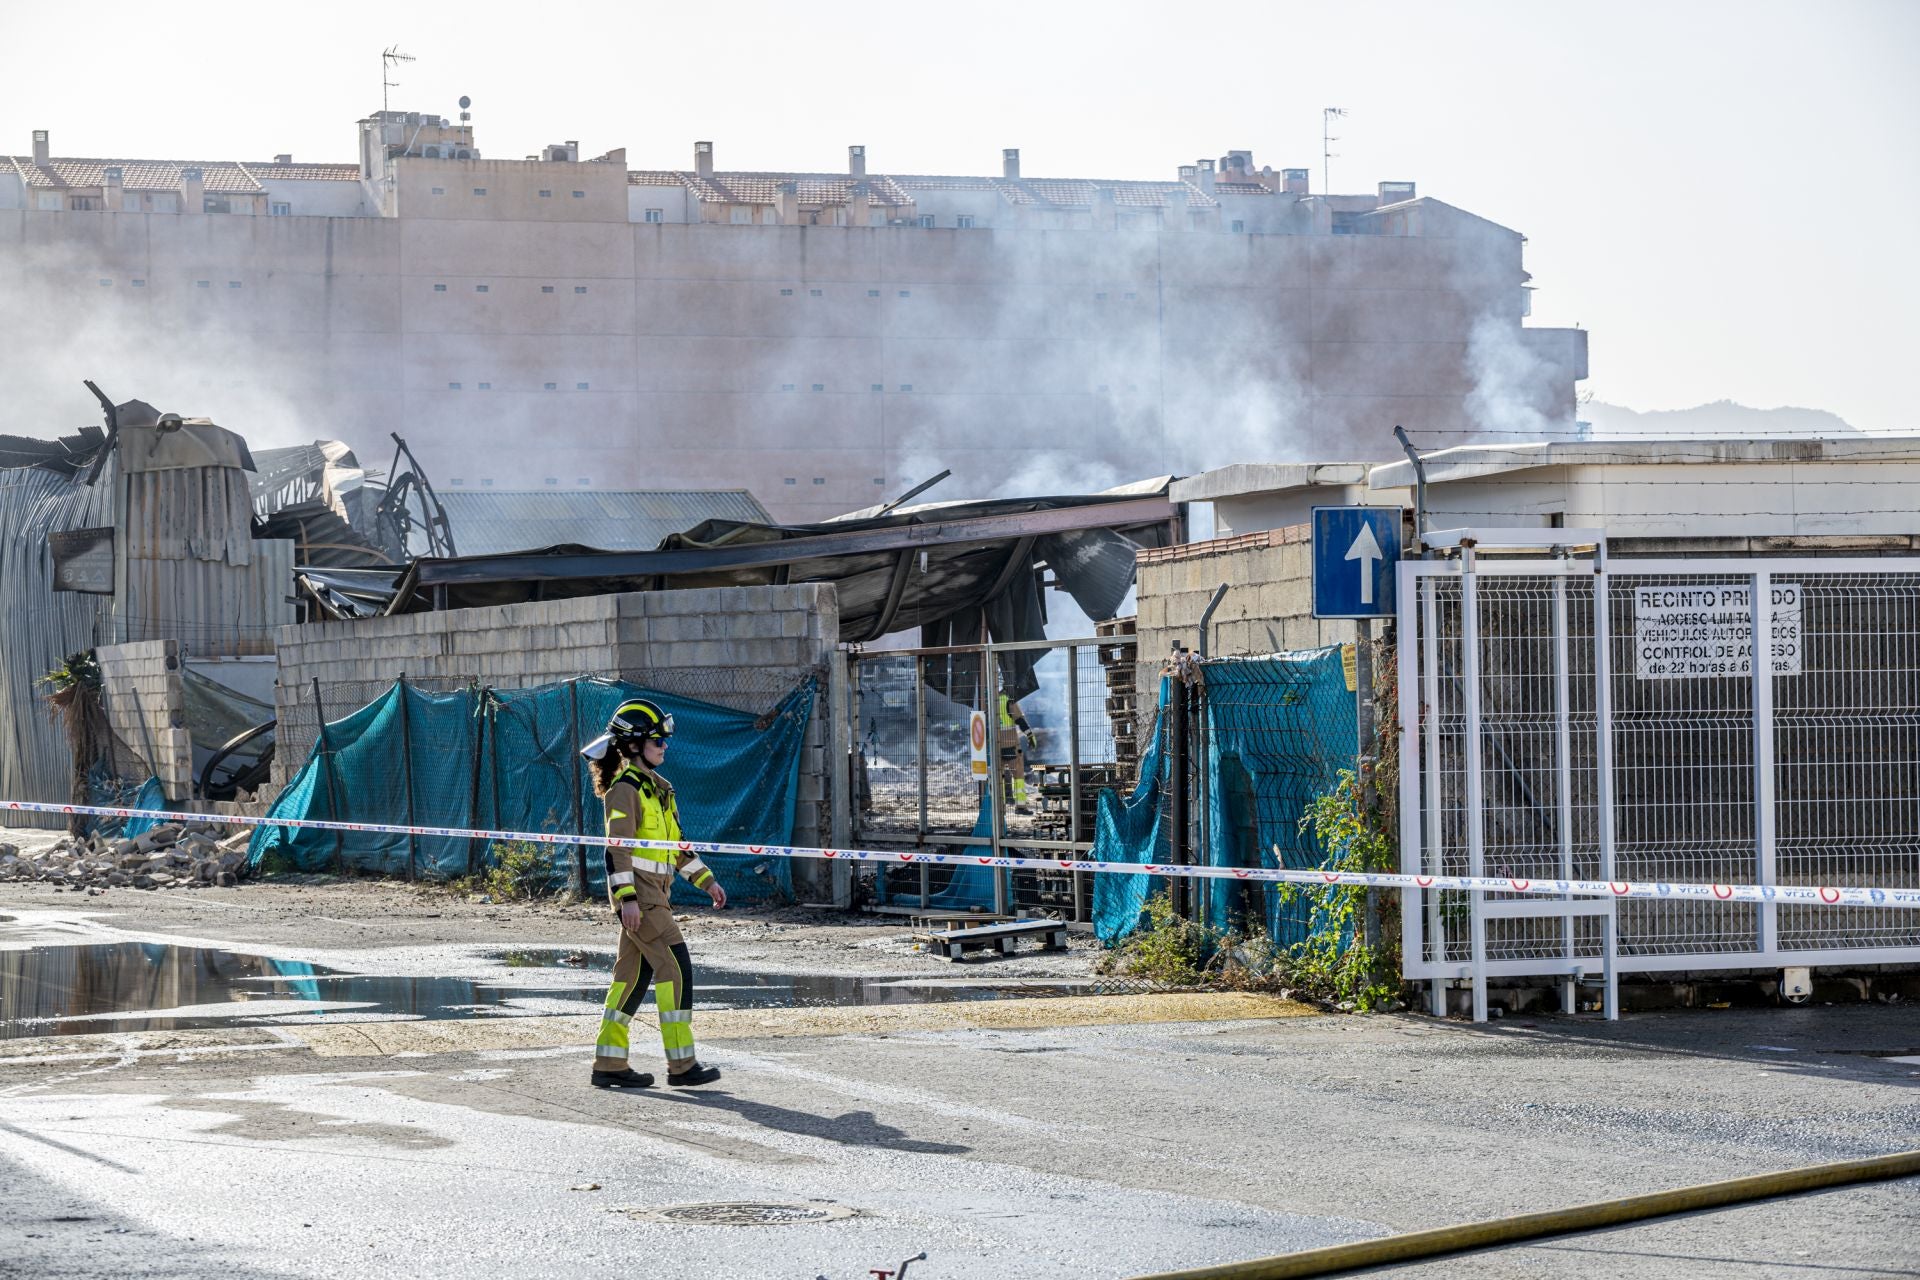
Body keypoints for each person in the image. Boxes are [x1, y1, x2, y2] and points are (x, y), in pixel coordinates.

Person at [581, 697, 725, 1090]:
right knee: (675, 966)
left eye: (664, 742)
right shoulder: (624, 791)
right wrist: (626, 899)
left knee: (631, 976)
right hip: (640, 899)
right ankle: (682, 1065)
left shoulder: (659, 790)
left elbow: (676, 845)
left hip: (656, 896)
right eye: (657, 741)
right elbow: (618, 849)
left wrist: (706, 881)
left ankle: (609, 1062)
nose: (664, 747)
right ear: (633, 746)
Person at [998, 693, 1039, 814]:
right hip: (1011, 744)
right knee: (1018, 776)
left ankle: (999, 808)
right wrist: (1030, 735)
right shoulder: (1008, 699)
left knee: (997, 778)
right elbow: (1020, 720)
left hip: (994, 746)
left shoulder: (986, 700)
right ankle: (1021, 807)